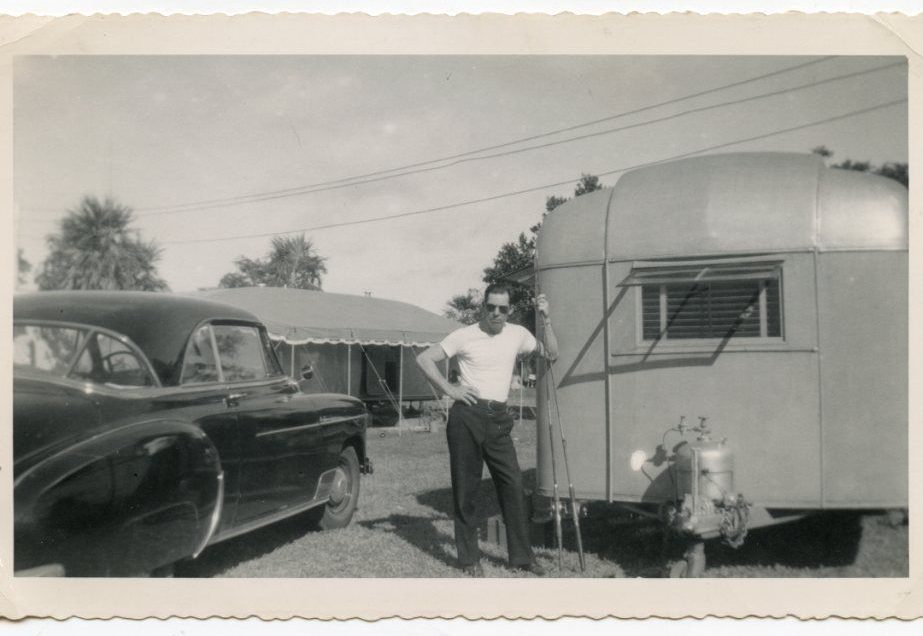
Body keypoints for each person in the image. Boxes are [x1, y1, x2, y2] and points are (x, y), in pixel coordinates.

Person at [416, 283, 558, 577]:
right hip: (467, 416)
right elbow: (424, 358)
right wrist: (450, 390)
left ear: (509, 311)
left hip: (498, 420)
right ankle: (469, 559)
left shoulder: (518, 334)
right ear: (483, 306)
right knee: (466, 490)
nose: (496, 313)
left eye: (502, 309)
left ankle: (521, 557)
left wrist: (545, 319)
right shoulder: (464, 335)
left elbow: (551, 354)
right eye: (491, 307)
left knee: (514, 486)